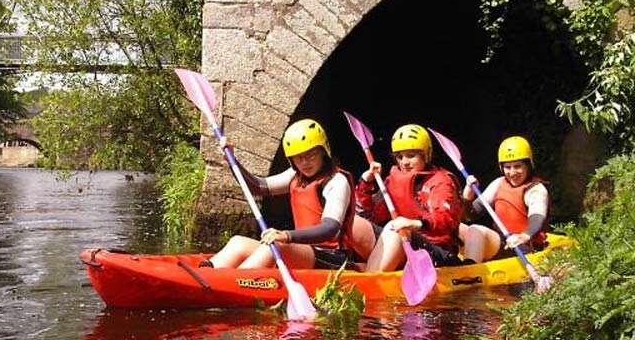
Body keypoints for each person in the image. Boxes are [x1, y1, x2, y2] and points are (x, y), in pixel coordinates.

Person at [202, 118, 370, 270]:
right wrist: (233, 162)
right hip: (302, 251)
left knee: (276, 245)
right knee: (238, 242)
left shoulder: (336, 181)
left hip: (332, 258)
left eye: (310, 155)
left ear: (323, 152)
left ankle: (234, 282)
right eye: (298, 158)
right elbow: (258, 186)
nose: (304, 163)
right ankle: (208, 274)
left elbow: (330, 228)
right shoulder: (295, 175)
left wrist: (287, 235)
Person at [356, 124, 464, 272]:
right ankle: (360, 266)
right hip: (404, 242)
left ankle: (371, 279)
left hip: (440, 253)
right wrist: (366, 184)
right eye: (400, 157)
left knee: (395, 228)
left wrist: (415, 224)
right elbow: (371, 214)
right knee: (356, 223)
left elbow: (446, 221)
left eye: (411, 155)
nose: (404, 162)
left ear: (426, 155)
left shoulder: (442, 181)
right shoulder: (392, 180)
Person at [458, 136, 549, 263]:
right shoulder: (498, 183)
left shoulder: (536, 189)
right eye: (507, 167)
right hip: (502, 242)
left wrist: (524, 236)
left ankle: (469, 274)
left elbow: (537, 217)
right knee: (456, 227)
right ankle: (449, 263)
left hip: (523, 247)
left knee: (476, 230)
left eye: (518, 166)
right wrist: (468, 197)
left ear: (528, 165)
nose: (512, 173)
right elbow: (469, 216)